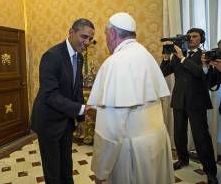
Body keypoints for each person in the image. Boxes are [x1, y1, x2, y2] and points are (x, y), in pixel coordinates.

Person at [87, 12, 174, 184]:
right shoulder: (146, 55)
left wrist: (101, 169)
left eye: (106, 35)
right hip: (156, 141)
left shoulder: (115, 62)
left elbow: (110, 130)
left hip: (131, 151)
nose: (106, 40)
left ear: (112, 34)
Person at [30, 18, 95, 184]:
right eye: (83, 37)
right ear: (71, 33)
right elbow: (50, 95)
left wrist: (80, 119)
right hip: (48, 121)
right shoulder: (52, 56)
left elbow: (77, 89)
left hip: (65, 120)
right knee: (53, 168)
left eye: (89, 38)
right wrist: (81, 109)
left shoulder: (79, 57)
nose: (87, 42)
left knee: (66, 162)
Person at [161, 28, 218, 184]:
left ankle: (210, 172)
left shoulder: (205, 56)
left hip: (197, 101)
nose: (191, 39)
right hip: (179, 100)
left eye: (195, 36)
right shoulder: (178, 55)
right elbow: (163, 72)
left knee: (202, 137)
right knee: (179, 133)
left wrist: (182, 58)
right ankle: (182, 159)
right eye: (189, 36)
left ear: (201, 39)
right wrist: (166, 57)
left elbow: (201, 74)